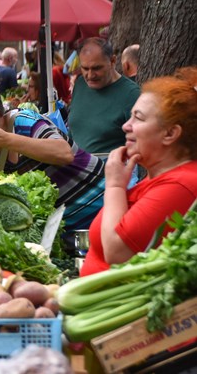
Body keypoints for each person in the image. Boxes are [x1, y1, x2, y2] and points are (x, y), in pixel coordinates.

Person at [80, 67, 197, 276]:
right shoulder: (159, 178)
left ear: (170, 133)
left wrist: (115, 185)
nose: (126, 126)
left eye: (138, 118)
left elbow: (117, 252)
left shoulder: (180, 185)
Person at [0, 81, 106, 232]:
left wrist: (7, 140)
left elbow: (64, 153)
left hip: (103, 209)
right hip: (66, 231)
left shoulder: (23, 121)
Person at [69, 38, 140, 155]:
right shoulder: (80, 84)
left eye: (97, 68)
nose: (90, 75)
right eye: (85, 69)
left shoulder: (131, 94)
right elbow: (73, 130)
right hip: (74, 167)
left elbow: (140, 144)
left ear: (112, 61)